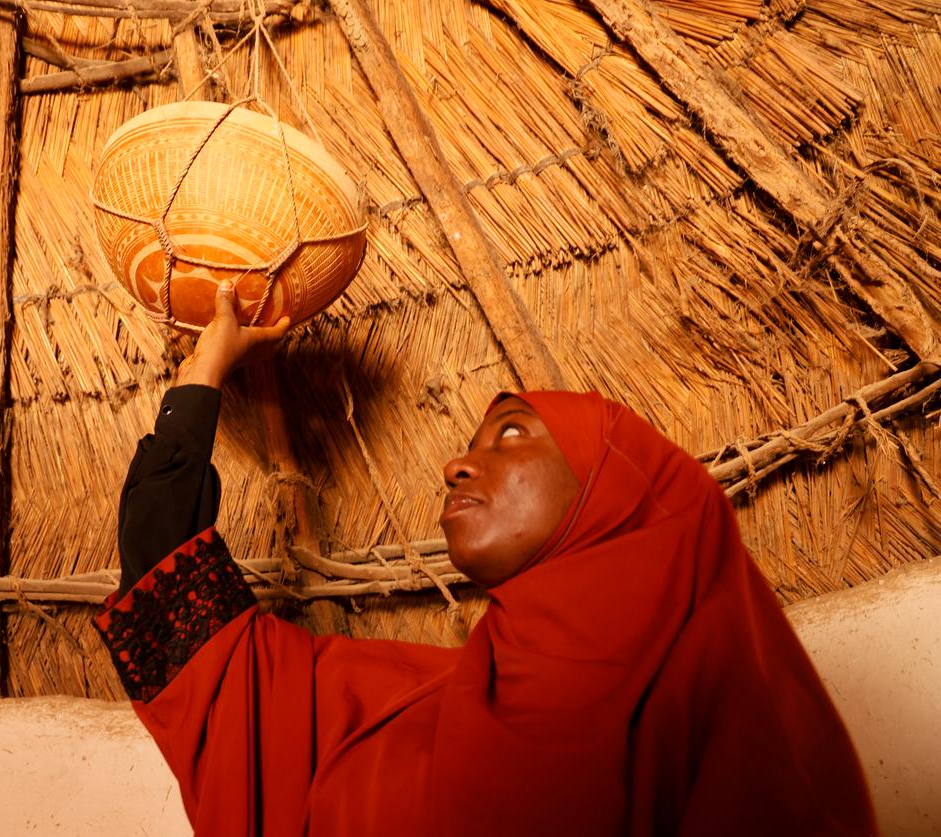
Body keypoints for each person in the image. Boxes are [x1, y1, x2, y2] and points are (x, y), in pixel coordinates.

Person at [94, 281, 876, 836]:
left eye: (511, 434)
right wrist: (207, 370)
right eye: (468, 445)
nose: (457, 466)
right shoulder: (374, 713)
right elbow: (169, 579)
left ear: (619, 494)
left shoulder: (738, 749)